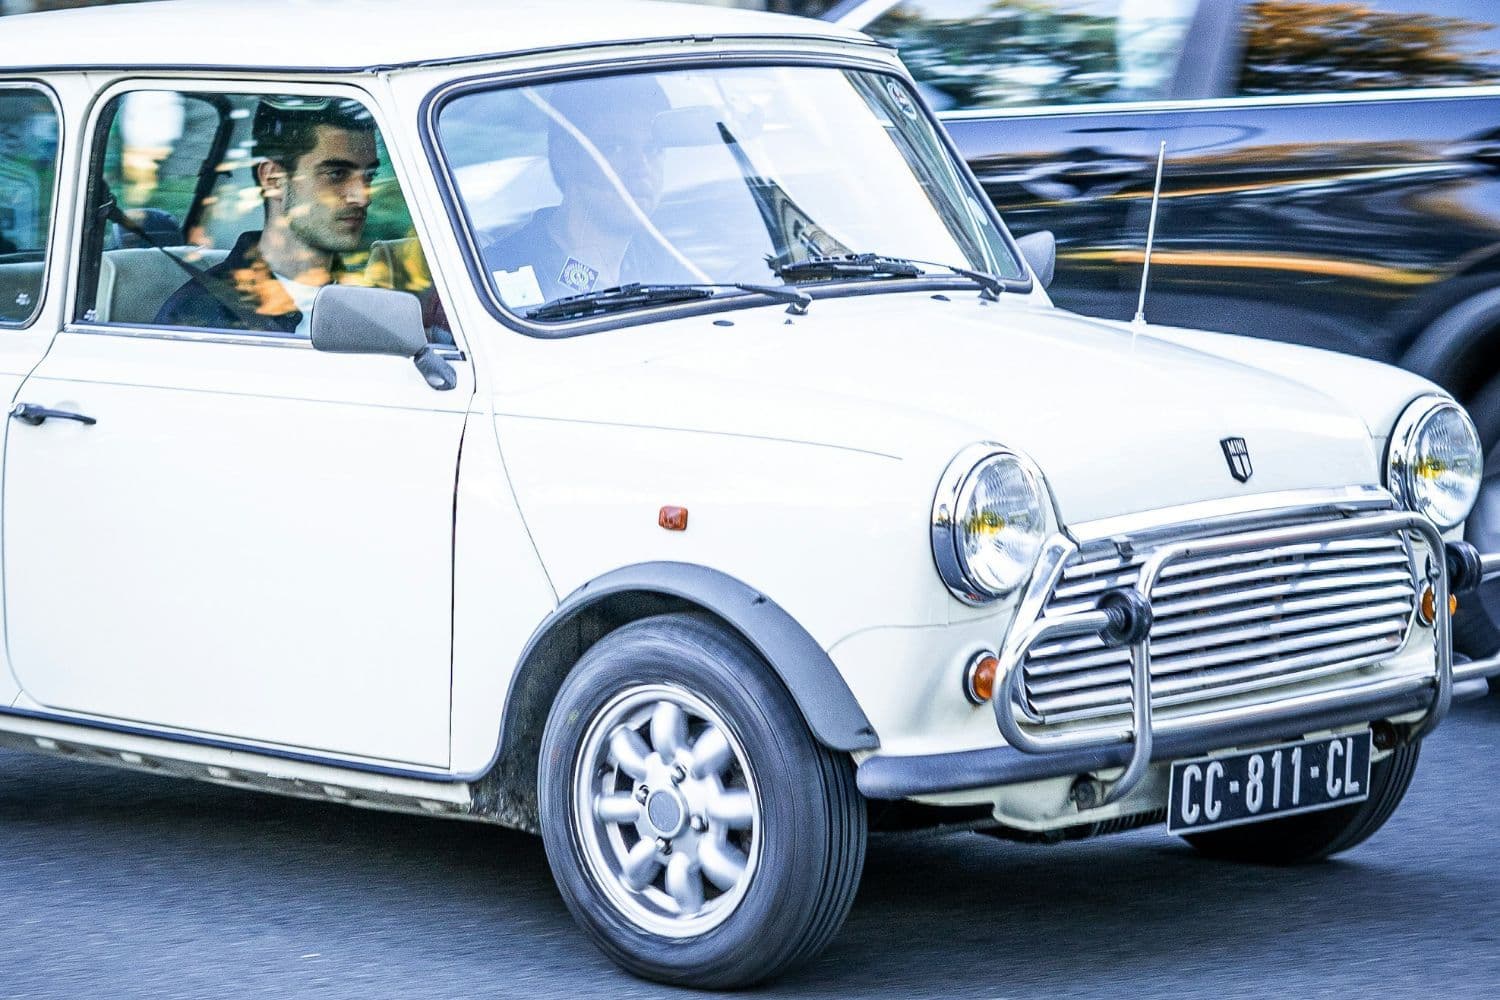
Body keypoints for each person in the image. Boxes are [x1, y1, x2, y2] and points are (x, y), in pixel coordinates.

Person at [155, 97, 378, 335]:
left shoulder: (375, 298)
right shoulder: (199, 318)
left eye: (369, 176)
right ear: (273, 180)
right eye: (336, 174)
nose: (363, 197)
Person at [482, 76, 692, 307]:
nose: (641, 167)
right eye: (616, 147)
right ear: (566, 156)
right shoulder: (494, 276)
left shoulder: (671, 265)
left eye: (652, 148)